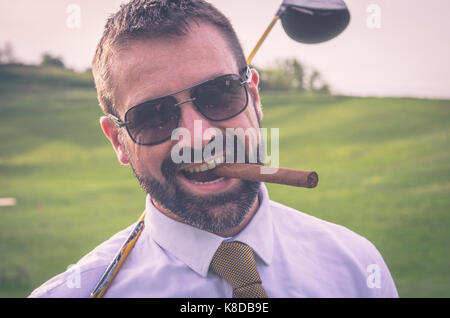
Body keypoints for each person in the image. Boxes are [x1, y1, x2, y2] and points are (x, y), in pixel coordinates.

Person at [29, 0, 398, 298]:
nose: (198, 136)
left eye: (218, 93)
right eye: (154, 116)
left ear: (253, 96)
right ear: (118, 141)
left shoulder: (355, 266)